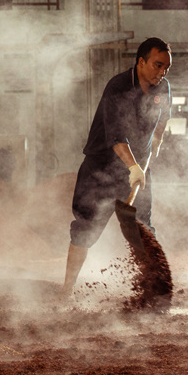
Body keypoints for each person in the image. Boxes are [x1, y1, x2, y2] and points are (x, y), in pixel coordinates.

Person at [61, 37, 172, 297]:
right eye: (157, 65)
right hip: (101, 166)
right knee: (86, 226)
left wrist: (157, 141)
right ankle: (66, 291)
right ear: (141, 62)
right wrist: (133, 167)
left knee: (142, 226)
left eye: (166, 68)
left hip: (138, 169)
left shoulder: (163, 88)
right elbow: (116, 137)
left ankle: (152, 290)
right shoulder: (118, 87)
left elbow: (163, 117)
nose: (161, 72)